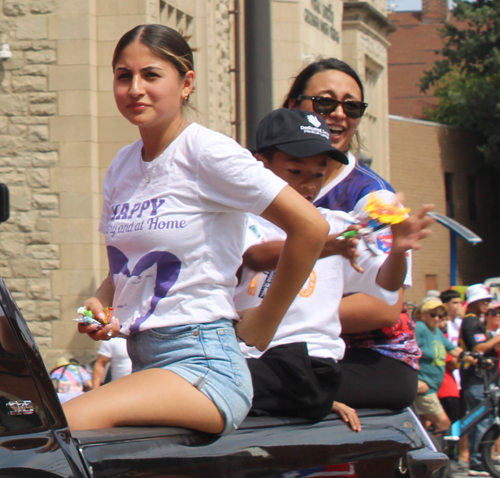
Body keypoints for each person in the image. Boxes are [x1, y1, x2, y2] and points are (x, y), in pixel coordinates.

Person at [62, 24, 330, 435]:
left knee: (68, 421)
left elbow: (311, 226)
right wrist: (95, 308)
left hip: (204, 364)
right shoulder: (121, 166)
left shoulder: (208, 151)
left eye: (151, 75)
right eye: (123, 75)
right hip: (144, 362)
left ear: (186, 83)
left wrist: (266, 319)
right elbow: (123, 273)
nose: (135, 88)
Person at [234, 107, 433, 425]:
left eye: (318, 173)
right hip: (247, 357)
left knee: (211, 387)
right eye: (295, 172)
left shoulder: (339, 225)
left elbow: (387, 284)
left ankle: (311, 399)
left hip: (305, 363)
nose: (308, 185)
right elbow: (256, 257)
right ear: (261, 166)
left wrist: (398, 250)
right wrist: (325, 245)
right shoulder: (240, 223)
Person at [283, 57, 419, 409]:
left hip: (369, 357)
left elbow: (384, 308)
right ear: (292, 105)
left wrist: (276, 312)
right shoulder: (256, 179)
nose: (339, 114)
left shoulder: (374, 198)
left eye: (352, 106)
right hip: (284, 347)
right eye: (325, 102)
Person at [413, 298, 473, 433]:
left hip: (433, 388)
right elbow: (406, 352)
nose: (437, 319)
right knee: (444, 424)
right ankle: (439, 454)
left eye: (440, 316)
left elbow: (453, 349)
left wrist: (476, 360)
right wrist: (414, 381)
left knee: (424, 427)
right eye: (433, 315)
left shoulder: (437, 332)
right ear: (423, 314)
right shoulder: (420, 328)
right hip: (424, 388)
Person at [460, 283, 499, 476]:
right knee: (483, 420)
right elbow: (478, 349)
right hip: (476, 380)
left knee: (484, 420)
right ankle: (476, 461)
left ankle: (479, 459)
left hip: (482, 379)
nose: (486, 304)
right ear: (473, 303)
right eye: (482, 301)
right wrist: (497, 338)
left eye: (487, 301)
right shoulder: (471, 322)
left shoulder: (476, 321)